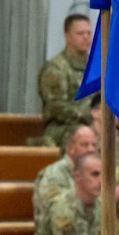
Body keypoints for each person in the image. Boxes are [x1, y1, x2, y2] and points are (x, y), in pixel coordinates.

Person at [36, 13, 93, 147]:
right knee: (87, 137)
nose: (86, 37)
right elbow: (56, 107)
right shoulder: (55, 68)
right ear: (67, 36)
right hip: (62, 128)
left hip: (92, 124)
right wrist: (87, 116)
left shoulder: (95, 67)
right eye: (80, 33)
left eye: (89, 33)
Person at [32, 125, 96, 224]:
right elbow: (59, 216)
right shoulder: (52, 175)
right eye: (84, 145)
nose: (91, 149)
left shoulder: (95, 173)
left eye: (94, 145)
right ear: (70, 148)